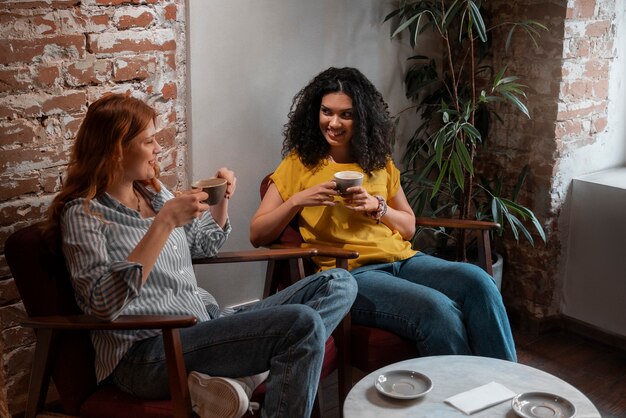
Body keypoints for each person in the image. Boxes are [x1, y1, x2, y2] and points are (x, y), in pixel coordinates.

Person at [44, 93, 357, 418]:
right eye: (149, 141)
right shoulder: (83, 214)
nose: (158, 149)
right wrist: (163, 223)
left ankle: (245, 379)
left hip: (206, 325)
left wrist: (220, 199)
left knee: (339, 282)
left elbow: (203, 246)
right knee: (301, 323)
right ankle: (250, 375)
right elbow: (102, 304)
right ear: (116, 149)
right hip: (147, 354)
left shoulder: (154, 194)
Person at [250, 67, 516, 362]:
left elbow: (408, 227)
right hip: (352, 275)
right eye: (327, 112)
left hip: (405, 261)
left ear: (361, 118)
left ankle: (506, 385)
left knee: (478, 281)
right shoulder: (298, 163)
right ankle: (459, 399)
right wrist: (299, 200)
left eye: (346, 114)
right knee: (436, 308)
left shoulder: (378, 161)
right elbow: (257, 233)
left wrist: (379, 208)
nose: (334, 123)